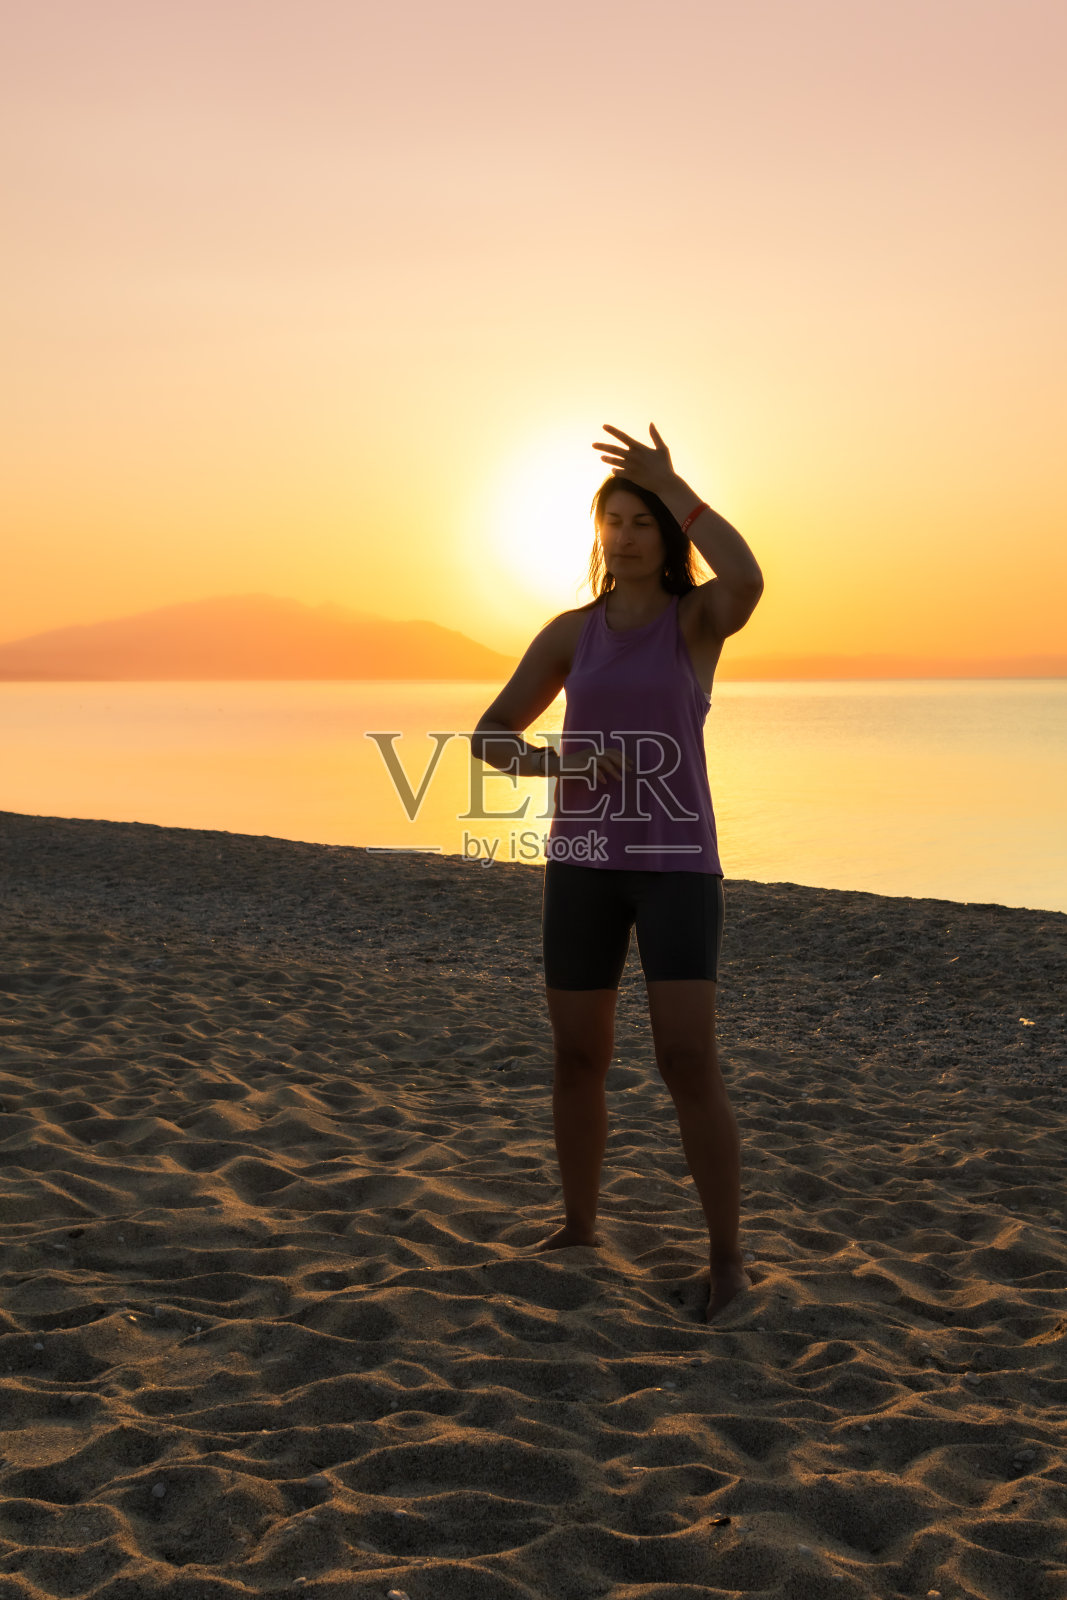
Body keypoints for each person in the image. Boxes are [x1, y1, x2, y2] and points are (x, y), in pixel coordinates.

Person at [470, 423, 764, 1321]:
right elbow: (490, 740)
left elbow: (748, 579)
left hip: (678, 866)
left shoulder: (695, 621)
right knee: (576, 1056)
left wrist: (679, 489)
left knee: (686, 1059)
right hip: (584, 864)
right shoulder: (570, 633)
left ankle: (726, 1258)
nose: (628, 535)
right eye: (615, 521)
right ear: (597, 537)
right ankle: (578, 1225)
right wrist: (566, 766)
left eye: (643, 521)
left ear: (666, 535)